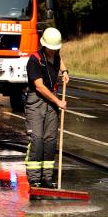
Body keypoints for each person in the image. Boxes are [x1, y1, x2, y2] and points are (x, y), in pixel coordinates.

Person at [24, 27, 69, 189]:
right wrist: (58, 102)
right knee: (37, 140)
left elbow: (60, 59)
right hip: (37, 102)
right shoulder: (34, 60)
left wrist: (64, 71)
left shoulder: (56, 56)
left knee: (50, 140)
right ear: (44, 46)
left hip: (52, 102)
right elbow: (40, 87)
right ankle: (34, 179)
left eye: (56, 49)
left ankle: (47, 178)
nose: (54, 52)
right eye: (51, 49)